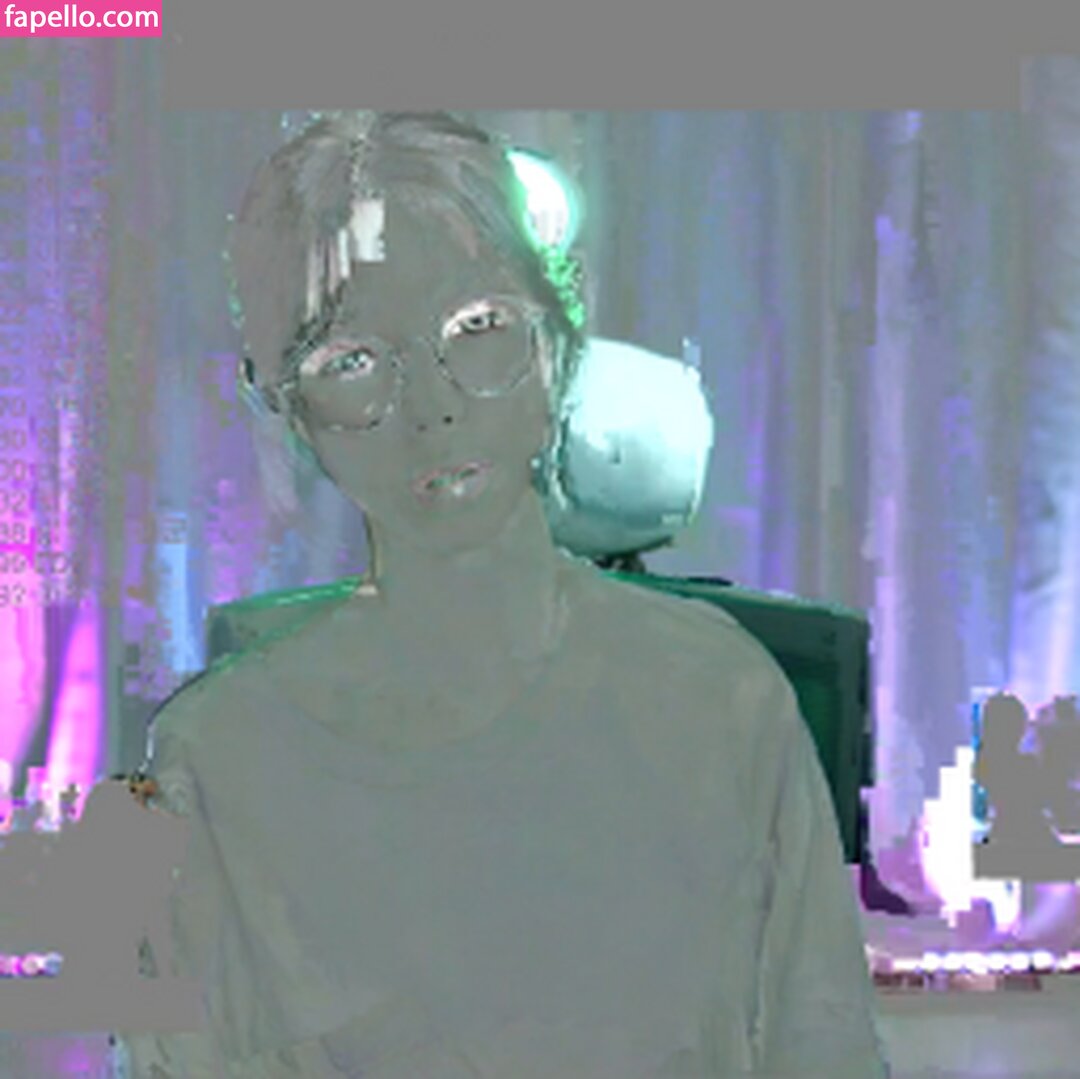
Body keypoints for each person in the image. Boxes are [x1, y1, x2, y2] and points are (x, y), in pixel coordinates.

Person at [117, 112, 890, 1078]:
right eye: (353, 360)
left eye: (475, 329)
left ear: (557, 340)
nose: (433, 406)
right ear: (283, 406)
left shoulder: (719, 701)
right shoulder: (218, 759)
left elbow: (824, 1051)